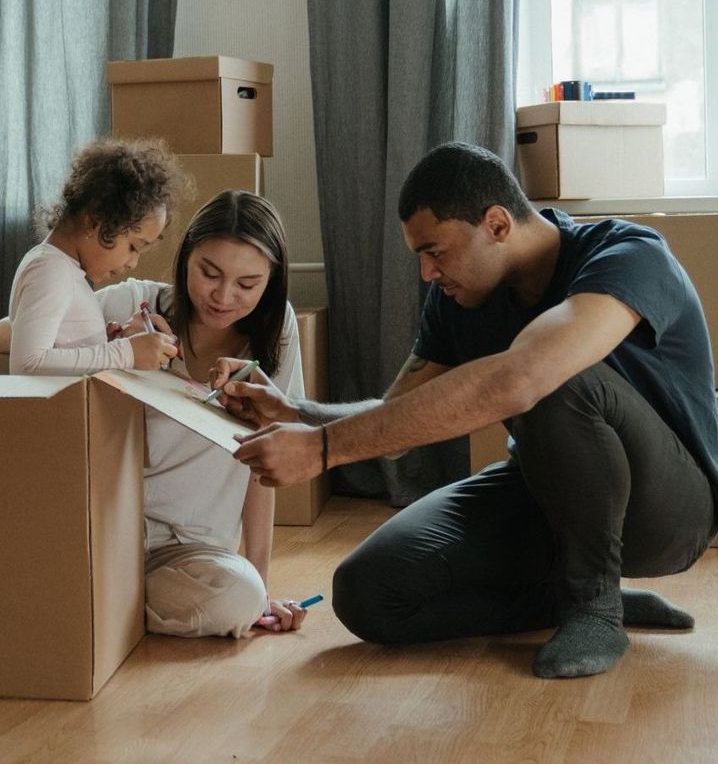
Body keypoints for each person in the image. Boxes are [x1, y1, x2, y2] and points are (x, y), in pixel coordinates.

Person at [214, 142, 718, 678]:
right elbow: (398, 419)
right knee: (369, 593)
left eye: (436, 252)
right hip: (547, 494)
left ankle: (593, 605)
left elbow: (523, 378)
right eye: (420, 257)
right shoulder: (458, 297)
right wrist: (297, 413)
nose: (428, 274)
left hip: (671, 511)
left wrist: (324, 450)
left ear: (497, 225)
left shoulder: (629, 254)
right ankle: (568, 598)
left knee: (556, 375)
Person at [93, 189, 308, 637]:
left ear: (271, 283)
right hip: (104, 534)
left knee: (239, 598)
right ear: (185, 257)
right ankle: (99, 601)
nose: (223, 296)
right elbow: (24, 336)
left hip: (190, 553)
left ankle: (99, 606)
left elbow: (263, 466)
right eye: (209, 273)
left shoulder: (276, 333)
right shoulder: (131, 305)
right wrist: (111, 347)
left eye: (247, 285)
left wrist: (262, 590)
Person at [8, 138, 184, 374]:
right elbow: (27, 364)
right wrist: (125, 353)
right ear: (94, 221)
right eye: (133, 247)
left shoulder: (65, 270)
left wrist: (108, 343)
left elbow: (63, 353)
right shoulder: (50, 270)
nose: (133, 263)